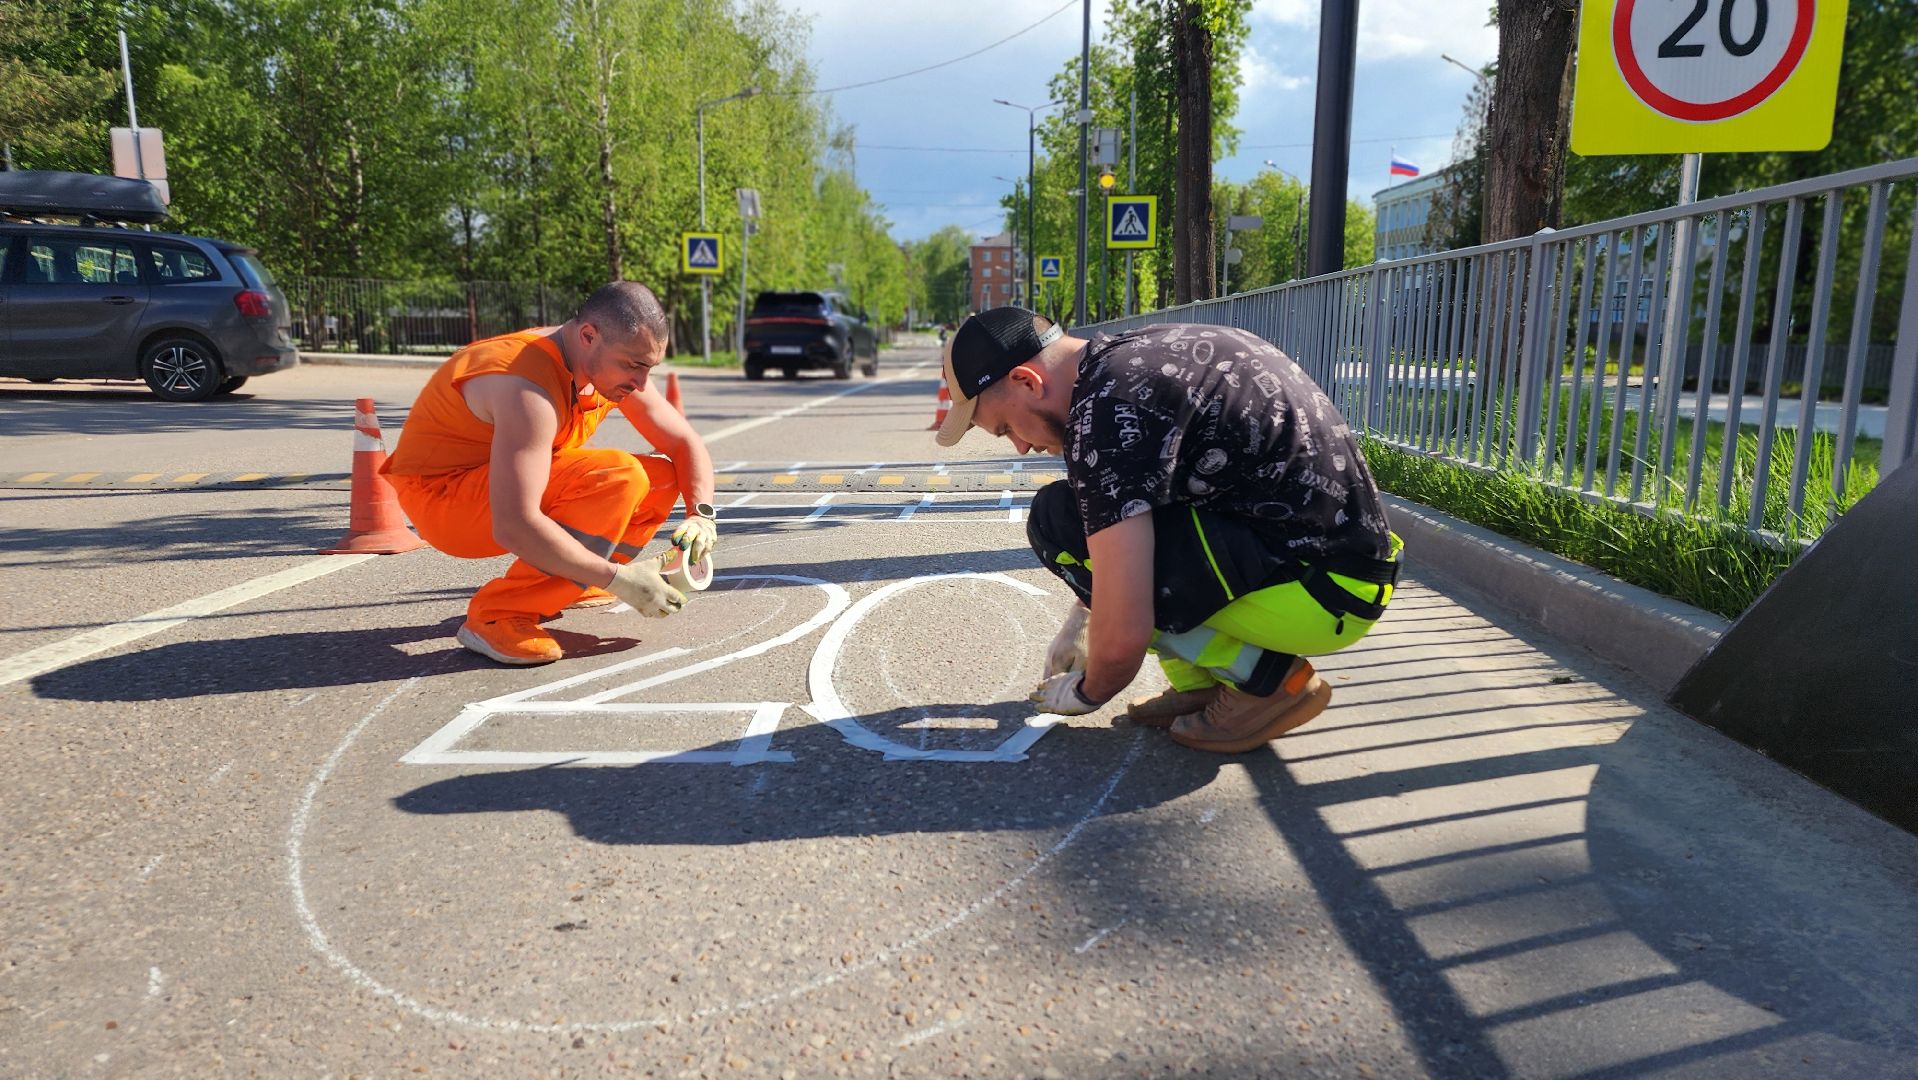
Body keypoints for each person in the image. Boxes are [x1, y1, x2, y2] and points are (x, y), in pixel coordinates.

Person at [933, 307, 1401, 752]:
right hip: (1343, 569)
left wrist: (1088, 690)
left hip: (1318, 593)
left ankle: (1266, 680)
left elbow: (1125, 628)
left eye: (1005, 428)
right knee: (1086, 514)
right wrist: (1084, 612)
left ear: (1026, 380)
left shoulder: (1105, 410)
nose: (1020, 447)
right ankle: (1203, 685)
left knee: (1058, 520)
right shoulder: (1132, 359)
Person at [384, 281, 718, 665]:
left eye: (649, 367)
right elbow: (514, 524)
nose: (642, 383)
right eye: (633, 365)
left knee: (660, 477)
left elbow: (683, 443)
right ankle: (498, 614)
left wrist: (702, 516)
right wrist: (617, 579)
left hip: (486, 485)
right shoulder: (525, 385)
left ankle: (570, 581)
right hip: (443, 500)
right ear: (588, 336)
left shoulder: (602, 359)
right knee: (618, 476)